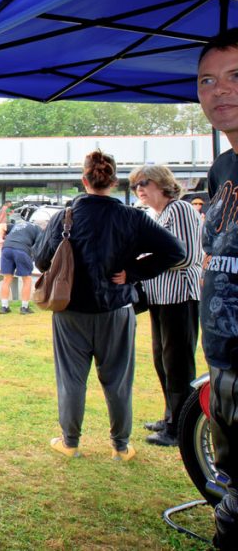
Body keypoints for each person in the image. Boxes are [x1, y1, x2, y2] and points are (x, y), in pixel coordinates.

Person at [34, 150, 182, 462]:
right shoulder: (132, 217)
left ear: (84, 180)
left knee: (71, 378)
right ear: (113, 182)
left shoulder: (66, 217)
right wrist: (134, 273)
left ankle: (70, 442)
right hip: (117, 309)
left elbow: (41, 259)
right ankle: (121, 446)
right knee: (118, 380)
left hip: (70, 310)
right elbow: (175, 251)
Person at [194, 28, 238, 547]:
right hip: (224, 367)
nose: (219, 91)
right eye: (207, 80)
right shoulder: (222, 167)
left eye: (234, 77)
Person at [127, 165, 203, 448]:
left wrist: (143, 264)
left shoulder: (180, 210)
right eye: (135, 185)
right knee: (163, 360)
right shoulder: (157, 215)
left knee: (178, 364)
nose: (140, 190)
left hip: (180, 296)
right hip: (160, 296)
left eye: (144, 183)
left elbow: (186, 256)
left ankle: (180, 426)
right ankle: (171, 416)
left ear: (162, 183)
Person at [0, 217, 41, 315]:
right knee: (27, 279)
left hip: (6, 249)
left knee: (7, 279)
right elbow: (38, 246)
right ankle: (24, 308)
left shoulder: (17, 224)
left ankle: (4, 307)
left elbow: (1, 226)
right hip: (21, 250)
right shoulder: (38, 229)